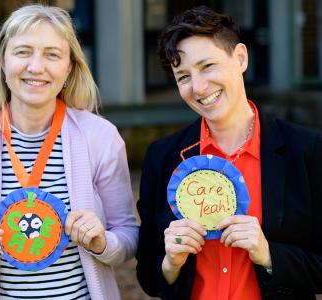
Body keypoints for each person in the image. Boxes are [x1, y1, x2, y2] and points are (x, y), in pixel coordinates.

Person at [136, 5, 322, 300]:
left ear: (240, 58)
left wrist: (269, 255)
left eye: (207, 66)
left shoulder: (307, 150)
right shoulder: (163, 156)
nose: (198, 87)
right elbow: (148, 274)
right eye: (183, 76)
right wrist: (170, 263)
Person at [0, 4, 138, 300]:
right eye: (23, 52)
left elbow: (129, 239)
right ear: (2, 61)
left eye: (52, 54)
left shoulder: (100, 138)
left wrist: (102, 242)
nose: (36, 67)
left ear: (69, 67)